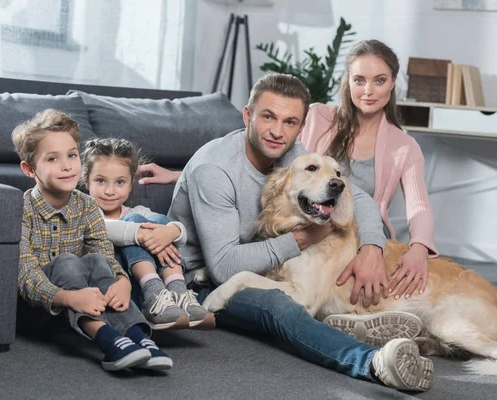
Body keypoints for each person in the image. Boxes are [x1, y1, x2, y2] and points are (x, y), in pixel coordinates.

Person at [140, 74, 433, 392]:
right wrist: (303, 239)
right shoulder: (214, 171)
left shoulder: (291, 152)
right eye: (268, 117)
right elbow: (223, 266)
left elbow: (357, 196)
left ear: (300, 126)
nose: (278, 132)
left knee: (308, 289)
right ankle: (374, 363)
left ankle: (348, 324)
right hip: (197, 281)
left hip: (262, 263)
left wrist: (372, 248)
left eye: (290, 122)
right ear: (248, 115)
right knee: (280, 307)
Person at [12, 109, 172, 371]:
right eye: (52, 158)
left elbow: (104, 253)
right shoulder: (21, 209)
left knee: (96, 259)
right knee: (67, 262)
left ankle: (138, 338)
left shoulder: (87, 206)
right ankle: (107, 338)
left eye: (72, 155)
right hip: (44, 309)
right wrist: (68, 298)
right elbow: (26, 276)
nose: (66, 165)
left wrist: (123, 282)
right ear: (29, 169)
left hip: (86, 302)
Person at [300, 40, 437, 308]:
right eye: (359, 80)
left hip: (363, 238)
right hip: (313, 228)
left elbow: (419, 206)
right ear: (348, 81)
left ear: (393, 83)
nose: (368, 91)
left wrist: (420, 246)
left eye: (379, 80)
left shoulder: (404, 146)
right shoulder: (317, 117)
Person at [81, 138, 212, 331]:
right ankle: (154, 294)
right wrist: (141, 233)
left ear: (130, 184)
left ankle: (178, 293)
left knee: (159, 223)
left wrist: (171, 231)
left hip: (151, 288)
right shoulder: (83, 213)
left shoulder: (139, 211)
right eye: (100, 181)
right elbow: (103, 228)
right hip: (117, 289)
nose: (110, 191)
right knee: (139, 222)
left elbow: (179, 233)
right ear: (86, 181)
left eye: (120, 182)